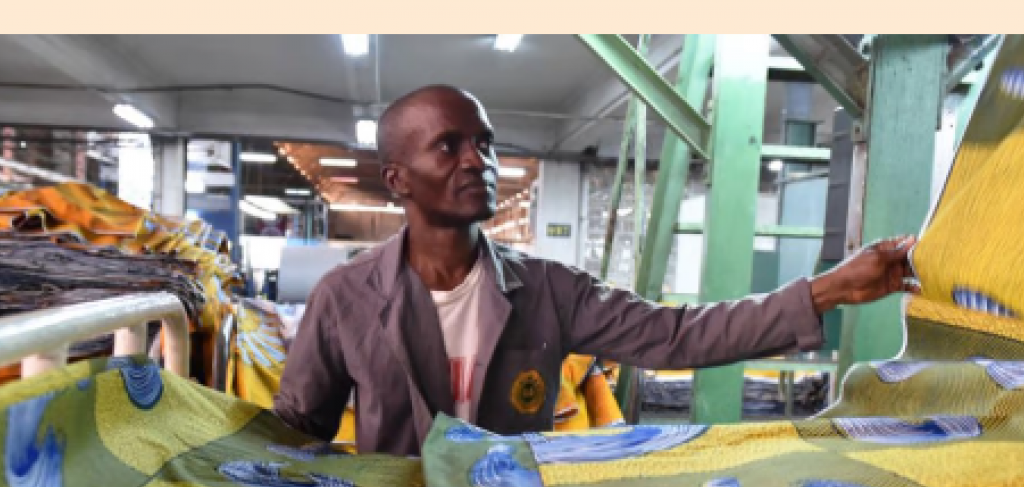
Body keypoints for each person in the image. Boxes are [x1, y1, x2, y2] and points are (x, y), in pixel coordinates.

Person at [274, 85, 918, 457]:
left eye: (486, 143)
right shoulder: (346, 299)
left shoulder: (548, 291)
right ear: (396, 180)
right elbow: (298, 434)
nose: (479, 160)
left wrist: (830, 289)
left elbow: (677, 336)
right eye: (450, 145)